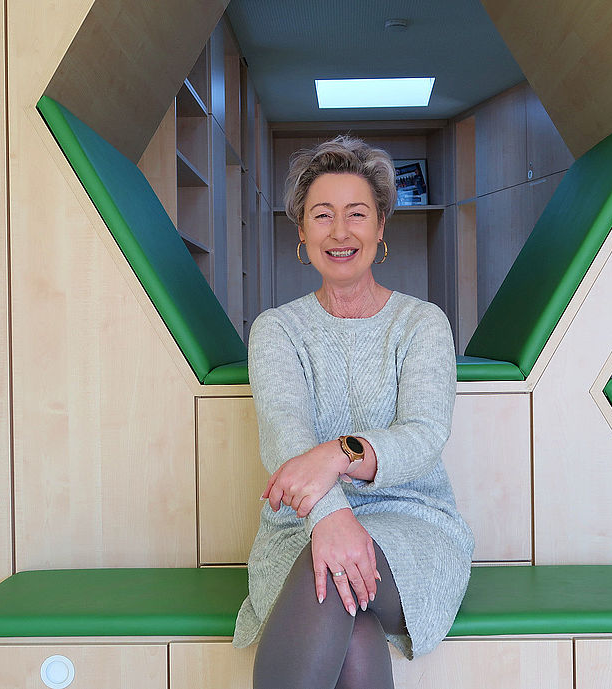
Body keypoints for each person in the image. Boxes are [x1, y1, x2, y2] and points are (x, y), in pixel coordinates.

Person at [232, 136, 474, 689]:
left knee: (330, 585)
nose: (340, 231)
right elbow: (284, 434)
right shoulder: (277, 329)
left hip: (412, 523)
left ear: (381, 225)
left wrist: (337, 456)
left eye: (357, 214)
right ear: (301, 231)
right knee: (347, 614)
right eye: (322, 215)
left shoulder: (422, 323)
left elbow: (423, 435)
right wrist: (332, 517)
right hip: (299, 528)